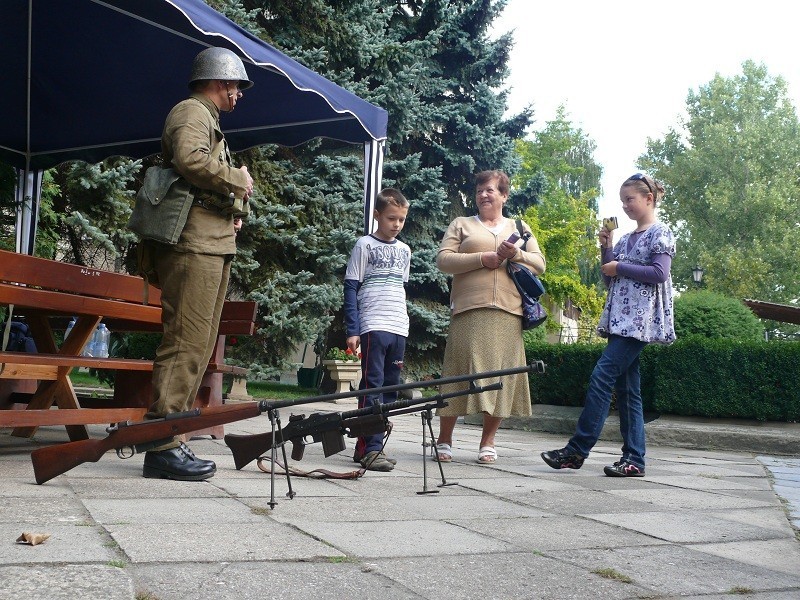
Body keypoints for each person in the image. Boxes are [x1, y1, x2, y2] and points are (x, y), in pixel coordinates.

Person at [141, 47, 254, 481]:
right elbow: (190, 161)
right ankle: (161, 441)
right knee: (185, 342)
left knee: (199, 345)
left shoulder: (207, 118)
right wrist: (236, 179)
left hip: (210, 243)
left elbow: (198, 176)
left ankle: (174, 434)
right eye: (236, 86)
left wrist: (232, 206)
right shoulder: (192, 111)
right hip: (192, 246)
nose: (239, 94)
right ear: (220, 81)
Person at [541, 173, 675, 477]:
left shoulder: (661, 232)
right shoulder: (626, 238)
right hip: (621, 320)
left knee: (602, 376)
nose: (625, 206)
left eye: (630, 199)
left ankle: (577, 451)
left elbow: (659, 273)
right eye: (622, 201)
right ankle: (634, 460)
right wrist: (607, 249)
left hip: (641, 321)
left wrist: (619, 265)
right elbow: (609, 278)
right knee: (629, 391)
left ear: (648, 199)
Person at [434, 170, 545, 464]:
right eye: (480, 190)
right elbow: (443, 260)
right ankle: (444, 439)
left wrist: (515, 255)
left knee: (501, 377)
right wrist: (483, 258)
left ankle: (488, 441)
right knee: (458, 374)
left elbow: (540, 264)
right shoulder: (462, 224)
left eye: (491, 190)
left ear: (504, 196)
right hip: (469, 309)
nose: (484, 194)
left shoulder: (519, 227)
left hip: (508, 312)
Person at [344, 188, 412, 472]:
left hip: (398, 325)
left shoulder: (405, 250)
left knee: (390, 388)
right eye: (391, 218)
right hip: (373, 324)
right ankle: (369, 448)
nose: (396, 224)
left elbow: (400, 287)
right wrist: (353, 328)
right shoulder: (364, 245)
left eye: (401, 220)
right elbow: (350, 286)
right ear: (377, 215)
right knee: (372, 385)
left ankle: (375, 446)